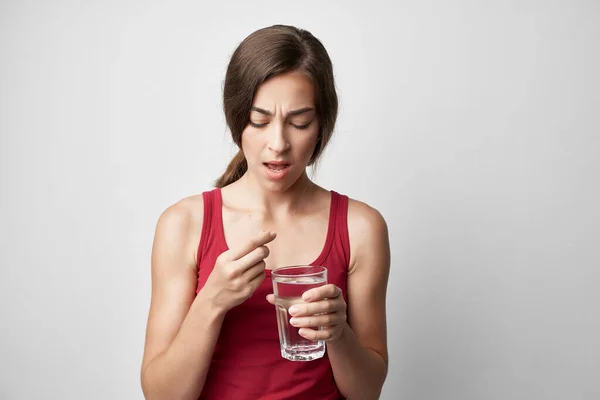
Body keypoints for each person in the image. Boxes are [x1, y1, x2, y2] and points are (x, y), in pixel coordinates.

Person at [140, 24, 391, 400]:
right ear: (237, 119)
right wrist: (212, 300)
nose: (278, 144)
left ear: (322, 125)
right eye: (260, 121)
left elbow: (367, 391)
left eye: (299, 122)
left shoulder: (361, 227)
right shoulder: (184, 224)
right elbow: (162, 395)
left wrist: (339, 334)